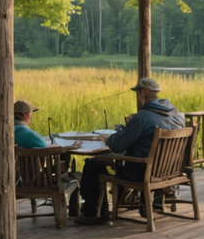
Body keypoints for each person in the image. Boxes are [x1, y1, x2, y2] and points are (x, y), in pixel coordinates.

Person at [74, 77, 185, 225]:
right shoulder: (177, 115)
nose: (137, 96)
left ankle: (92, 213)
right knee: (116, 161)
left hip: (142, 172)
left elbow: (117, 145)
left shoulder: (142, 117)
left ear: (144, 92)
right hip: (170, 170)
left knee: (93, 164)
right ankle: (146, 202)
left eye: (137, 92)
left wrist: (111, 136)